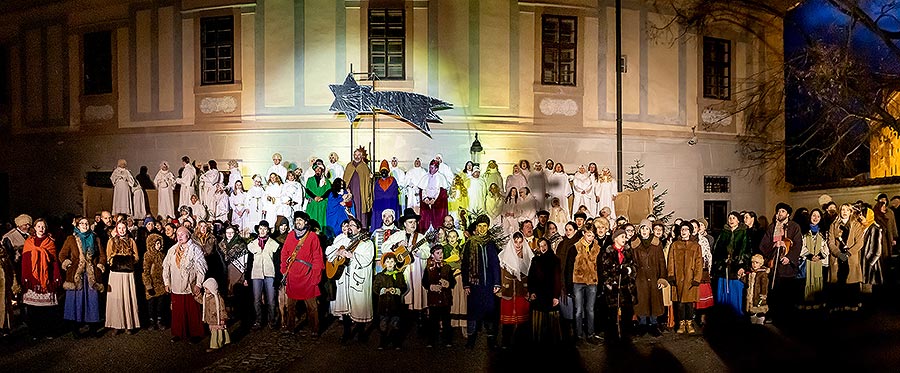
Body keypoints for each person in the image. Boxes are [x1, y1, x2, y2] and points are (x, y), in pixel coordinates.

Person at [326, 218, 374, 343]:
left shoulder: (366, 243)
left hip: (357, 279)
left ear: (359, 229)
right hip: (344, 279)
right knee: (346, 308)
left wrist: (352, 256)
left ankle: (361, 333)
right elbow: (328, 252)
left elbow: (367, 259)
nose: (349, 227)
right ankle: (346, 333)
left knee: (359, 307)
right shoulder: (343, 240)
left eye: (353, 225)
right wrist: (338, 251)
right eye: (348, 225)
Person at [60, 217, 106, 337]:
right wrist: (67, 263)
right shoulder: (71, 239)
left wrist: (100, 264)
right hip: (76, 274)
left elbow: (102, 254)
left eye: (87, 224)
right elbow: (62, 254)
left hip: (91, 274)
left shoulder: (95, 238)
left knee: (92, 301)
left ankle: (93, 329)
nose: (85, 226)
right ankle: (75, 329)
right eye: (82, 224)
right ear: (77, 225)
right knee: (76, 301)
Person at [281, 211, 324, 336]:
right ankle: (290, 327)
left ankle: (314, 329)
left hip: (308, 276)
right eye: (296, 220)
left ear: (306, 222)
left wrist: (316, 276)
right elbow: (284, 254)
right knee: (291, 306)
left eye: (301, 220)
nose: (298, 222)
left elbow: (317, 257)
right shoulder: (290, 236)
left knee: (312, 307)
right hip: (293, 276)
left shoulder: (312, 237)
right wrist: (284, 270)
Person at [759, 202, 803, 323]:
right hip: (774, 265)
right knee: (774, 291)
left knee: (787, 293)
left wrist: (789, 257)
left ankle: (787, 317)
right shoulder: (772, 227)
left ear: (788, 214)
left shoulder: (794, 227)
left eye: (782, 211)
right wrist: (774, 245)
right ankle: (773, 315)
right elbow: (763, 245)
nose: (779, 214)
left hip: (787, 266)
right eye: (778, 211)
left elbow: (798, 244)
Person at [461, 215, 501, 349]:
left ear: (488, 227)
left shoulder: (491, 243)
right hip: (474, 284)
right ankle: (471, 339)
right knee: (473, 311)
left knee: (490, 311)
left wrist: (497, 283)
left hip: (489, 284)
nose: (482, 229)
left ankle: (491, 340)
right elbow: (465, 265)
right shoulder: (470, 243)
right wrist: (466, 283)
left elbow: (496, 264)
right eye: (480, 226)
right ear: (476, 228)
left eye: (485, 226)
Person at [382, 208, 431, 313]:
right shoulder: (396, 236)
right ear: (404, 223)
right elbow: (384, 248)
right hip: (401, 272)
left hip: (416, 273)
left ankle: (419, 321)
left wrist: (417, 251)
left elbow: (427, 254)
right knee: (402, 299)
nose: (413, 224)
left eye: (415, 222)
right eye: (410, 222)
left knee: (417, 298)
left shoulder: (421, 237)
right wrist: (397, 245)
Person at [163, 226, 207, 342]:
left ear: (188, 235)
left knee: (192, 311)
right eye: (178, 234)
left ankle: (195, 334)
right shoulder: (172, 250)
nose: (179, 237)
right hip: (176, 286)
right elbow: (166, 267)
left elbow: (201, 268)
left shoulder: (195, 249)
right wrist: (167, 282)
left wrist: (199, 284)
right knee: (178, 311)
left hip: (189, 286)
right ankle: (179, 333)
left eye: (182, 234)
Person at [21, 218, 62, 340]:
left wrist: (56, 277)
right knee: (33, 309)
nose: (41, 228)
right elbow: (25, 262)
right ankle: (35, 332)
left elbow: (54, 262)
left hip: (46, 277)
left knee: (47, 309)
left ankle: (48, 331)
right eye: (39, 226)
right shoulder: (29, 242)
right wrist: (26, 277)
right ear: (35, 228)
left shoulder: (50, 243)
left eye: (43, 226)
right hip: (33, 278)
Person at [565, 226, 602, 345]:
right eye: (588, 235)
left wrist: (599, 284)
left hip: (592, 282)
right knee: (578, 310)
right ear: (583, 234)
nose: (590, 238)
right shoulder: (575, 248)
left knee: (590, 309)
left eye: (592, 235)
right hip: (578, 281)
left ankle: (590, 334)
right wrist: (569, 285)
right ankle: (579, 335)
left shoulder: (597, 248)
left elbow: (600, 267)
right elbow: (569, 267)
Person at [631, 220, 667, 337]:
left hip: (654, 277)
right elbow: (632, 262)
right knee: (641, 301)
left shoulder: (657, 244)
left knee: (654, 301)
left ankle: (653, 324)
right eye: (642, 228)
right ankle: (642, 324)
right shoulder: (634, 244)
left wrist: (661, 278)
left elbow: (662, 262)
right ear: (639, 230)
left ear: (650, 230)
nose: (644, 231)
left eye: (646, 228)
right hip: (640, 278)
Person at [601, 228, 638, 340]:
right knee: (613, 314)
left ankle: (626, 334)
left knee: (627, 312)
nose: (625, 239)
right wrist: (611, 284)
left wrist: (628, 270)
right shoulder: (608, 252)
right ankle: (613, 335)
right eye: (622, 237)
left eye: (625, 237)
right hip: (614, 288)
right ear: (615, 238)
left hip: (627, 288)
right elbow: (604, 271)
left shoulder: (629, 251)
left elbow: (635, 266)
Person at [498, 232, 533, 349]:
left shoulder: (528, 256)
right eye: (515, 242)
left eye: (520, 242)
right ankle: (505, 341)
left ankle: (521, 342)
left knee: (523, 320)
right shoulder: (503, 257)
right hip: (508, 292)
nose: (518, 245)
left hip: (522, 292)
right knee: (507, 321)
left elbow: (532, 275)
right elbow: (500, 274)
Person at [105, 221, 141, 334]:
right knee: (116, 298)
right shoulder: (111, 241)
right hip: (116, 273)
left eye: (123, 228)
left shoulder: (131, 241)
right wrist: (115, 260)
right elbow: (108, 255)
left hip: (128, 273)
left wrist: (129, 260)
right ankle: (116, 324)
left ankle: (128, 324)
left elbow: (136, 256)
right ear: (116, 229)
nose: (122, 230)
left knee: (127, 297)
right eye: (119, 228)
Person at [712, 211, 750, 316]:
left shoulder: (743, 233)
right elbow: (717, 249)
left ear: (738, 220)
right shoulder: (724, 232)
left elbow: (746, 250)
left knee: (735, 292)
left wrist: (742, 266)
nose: (731, 220)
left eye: (733, 218)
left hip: (736, 268)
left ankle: (736, 314)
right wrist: (721, 261)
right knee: (723, 291)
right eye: (729, 218)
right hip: (724, 268)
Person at [828, 204, 865, 312]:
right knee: (838, 281)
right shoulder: (833, 225)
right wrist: (838, 253)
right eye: (842, 209)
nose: (844, 212)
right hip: (837, 258)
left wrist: (848, 253)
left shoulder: (856, 225)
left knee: (851, 281)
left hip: (851, 258)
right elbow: (830, 241)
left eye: (847, 210)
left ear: (850, 212)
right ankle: (838, 304)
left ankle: (852, 304)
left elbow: (859, 243)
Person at [668, 223, 703, 334]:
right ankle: (681, 323)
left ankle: (689, 322)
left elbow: (699, 263)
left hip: (690, 278)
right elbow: (671, 261)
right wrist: (671, 275)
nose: (684, 231)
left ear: (690, 231)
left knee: (689, 303)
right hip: (678, 278)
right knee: (680, 303)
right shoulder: (675, 245)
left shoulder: (696, 246)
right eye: (682, 229)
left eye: (686, 229)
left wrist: (697, 278)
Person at [246, 220, 279, 329]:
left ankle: (272, 320)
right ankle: (258, 320)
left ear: (268, 230)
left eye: (265, 229)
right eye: (261, 228)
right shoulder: (252, 245)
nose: (263, 231)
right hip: (256, 275)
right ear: (258, 230)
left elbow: (276, 261)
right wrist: (247, 277)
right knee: (256, 299)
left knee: (271, 299)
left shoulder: (273, 244)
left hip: (270, 274)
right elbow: (249, 262)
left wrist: (277, 277)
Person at [422, 244, 456, 347]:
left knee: (446, 320)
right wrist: (430, 286)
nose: (440, 255)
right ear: (432, 255)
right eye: (438, 253)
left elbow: (452, 281)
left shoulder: (447, 267)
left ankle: (447, 340)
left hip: (445, 298)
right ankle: (432, 340)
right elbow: (424, 282)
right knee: (433, 320)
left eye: (441, 253)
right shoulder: (428, 268)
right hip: (434, 299)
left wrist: (448, 283)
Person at [528, 237, 561, 344]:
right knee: (538, 320)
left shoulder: (555, 260)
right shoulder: (535, 260)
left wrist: (556, 296)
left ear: (548, 245)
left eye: (544, 245)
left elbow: (557, 278)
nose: (542, 248)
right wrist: (532, 291)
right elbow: (531, 277)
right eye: (540, 246)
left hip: (550, 293)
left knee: (552, 320)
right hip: (538, 293)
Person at [373, 252, 407, 350]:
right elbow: (375, 288)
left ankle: (396, 342)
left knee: (395, 324)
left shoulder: (399, 275)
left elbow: (403, 286)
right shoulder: (380, 276)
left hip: (395, 304)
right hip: (383, 305)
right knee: (383, 324)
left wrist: (396, 290)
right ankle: (382, 342)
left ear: (395, 262)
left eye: (392, 261)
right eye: (388, 262)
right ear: (385, 264)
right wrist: (383, 290)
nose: (390, 263)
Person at [799, 209, 828, 308]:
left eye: (818, 216)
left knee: (819, 281)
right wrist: (810, 256)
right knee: (807, 281)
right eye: (813, 216)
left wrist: (820, 255)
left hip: (820, 261)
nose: (815, 218)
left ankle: (818, 302)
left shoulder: (824, 232)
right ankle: (807, 303)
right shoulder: (804, 231)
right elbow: (801, 246)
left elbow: (826, 246)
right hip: (807, 262)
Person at [143, 234, 168, 330]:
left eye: (159, 243)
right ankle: (151, 321)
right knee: (151, 304)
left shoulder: (162, 255)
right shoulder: (147, 255)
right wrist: (148, 285)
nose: (159, 245)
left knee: (160, 304)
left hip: (161, 283)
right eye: (156, 243)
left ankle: (159, 320)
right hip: (152, 283)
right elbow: (146, 271)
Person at [418, 160, 450, 232]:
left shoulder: (441, 177)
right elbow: (423, 189)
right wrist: (425, 198)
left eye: (432, 168)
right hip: (426, 202)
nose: (430, 169)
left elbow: (441, 191)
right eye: (430, 167)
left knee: (438, 220)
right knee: (425, 218)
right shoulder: (425, 177)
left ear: (437, 169)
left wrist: (434, 200)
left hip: (438, 203)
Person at [344, 147, 373, 225]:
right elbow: (345, 180)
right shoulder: (349, 166)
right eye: (355, 155)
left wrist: (370, 179)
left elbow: (368, 181)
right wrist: (347, 190)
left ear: (361, 156)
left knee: (361, 209)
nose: (357, 157)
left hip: (361, 193)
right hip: (350, 192)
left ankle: (362, 227)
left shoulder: (365, 167)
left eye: (359, 155)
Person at [219, 226, 247, 298]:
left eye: (232, 232)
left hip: (237, 272)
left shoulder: (241, 245)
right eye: (227, 232)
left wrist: (245, 275)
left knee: (237, 293)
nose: (229, 234)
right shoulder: (220, 245)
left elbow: (245, 260)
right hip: (224, 272)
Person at [372, 160, 401, 232]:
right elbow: (376, 194)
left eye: (385, 170)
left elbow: (395, 193)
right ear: (380, 172)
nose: (384, 172)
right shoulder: (377, 182)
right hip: (380, 206)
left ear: (388, 171)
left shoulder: (393, 180)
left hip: (391, 204)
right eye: (382, 170)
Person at [743, 254, 769, 324]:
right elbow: (746, 281)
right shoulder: (750, 272)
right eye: (753, 262)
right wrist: (742, 277)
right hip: (751, 296)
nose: (754, 264)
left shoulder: (762, 274)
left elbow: (764, 285)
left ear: (760, 264)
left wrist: (763, 295)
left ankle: (760, 322)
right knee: (752, 312)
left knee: (759, 310)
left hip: (758, 296)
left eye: (756, 263)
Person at [305, 161, 331, 230]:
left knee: (321, 222)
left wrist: (322, 198)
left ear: (322, 170)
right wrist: (314, 197)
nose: (318, 170)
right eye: (316, 169)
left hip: (322, 204)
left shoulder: (326, 181)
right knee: (311, 221)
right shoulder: (310, 180)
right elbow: (307, 190)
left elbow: (329, 191)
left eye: (319, 169)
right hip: (313, 204)